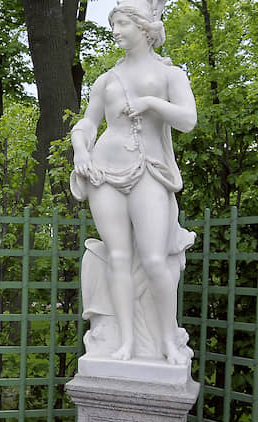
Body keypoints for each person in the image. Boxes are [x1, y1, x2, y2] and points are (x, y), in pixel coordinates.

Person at [70, 0, 196, 365]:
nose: (115, 31)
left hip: (150, 170)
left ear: (143, 28)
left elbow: (188, 119)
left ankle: (167, 340)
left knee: (156, 260)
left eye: (122, 23)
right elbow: (88, 124)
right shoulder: (107, 79)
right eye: (114, 24)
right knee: (119, 258)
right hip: (104, 173)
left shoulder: (171, 75)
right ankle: (124, 343)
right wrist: (81, 151)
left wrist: (152, 104)